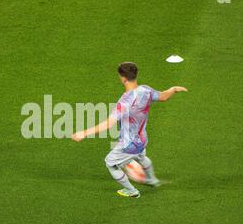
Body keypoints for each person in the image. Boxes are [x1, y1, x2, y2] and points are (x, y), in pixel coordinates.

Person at [72, 62, 187, 198]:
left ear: (123, 78)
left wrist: (83, 133)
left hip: (129, 144)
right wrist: (173, 89)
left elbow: (108, 124)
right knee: (141, 157)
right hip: (142, 139)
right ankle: (152, 180)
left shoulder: (124, 102)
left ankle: (132, 191)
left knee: (110, 163)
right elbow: (163, 96)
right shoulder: (146, 90)